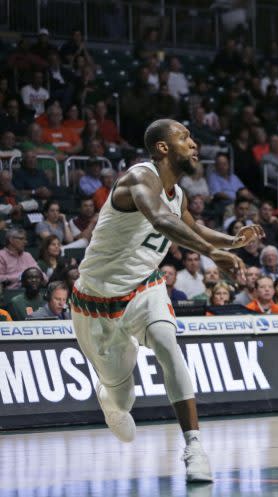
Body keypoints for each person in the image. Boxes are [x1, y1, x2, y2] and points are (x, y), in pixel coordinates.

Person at [69, 118, 264, 483]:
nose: (194, 145)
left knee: (167, 344)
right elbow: (159, 219)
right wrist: (210, 252)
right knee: (122, 396)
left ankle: (194, 447)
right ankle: (110, 395)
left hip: (145, 287)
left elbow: (191, 226)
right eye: (185, 137)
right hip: (97, 301)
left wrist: (231, 242)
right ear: (162, 147)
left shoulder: (179, 194)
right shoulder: (138, 179)